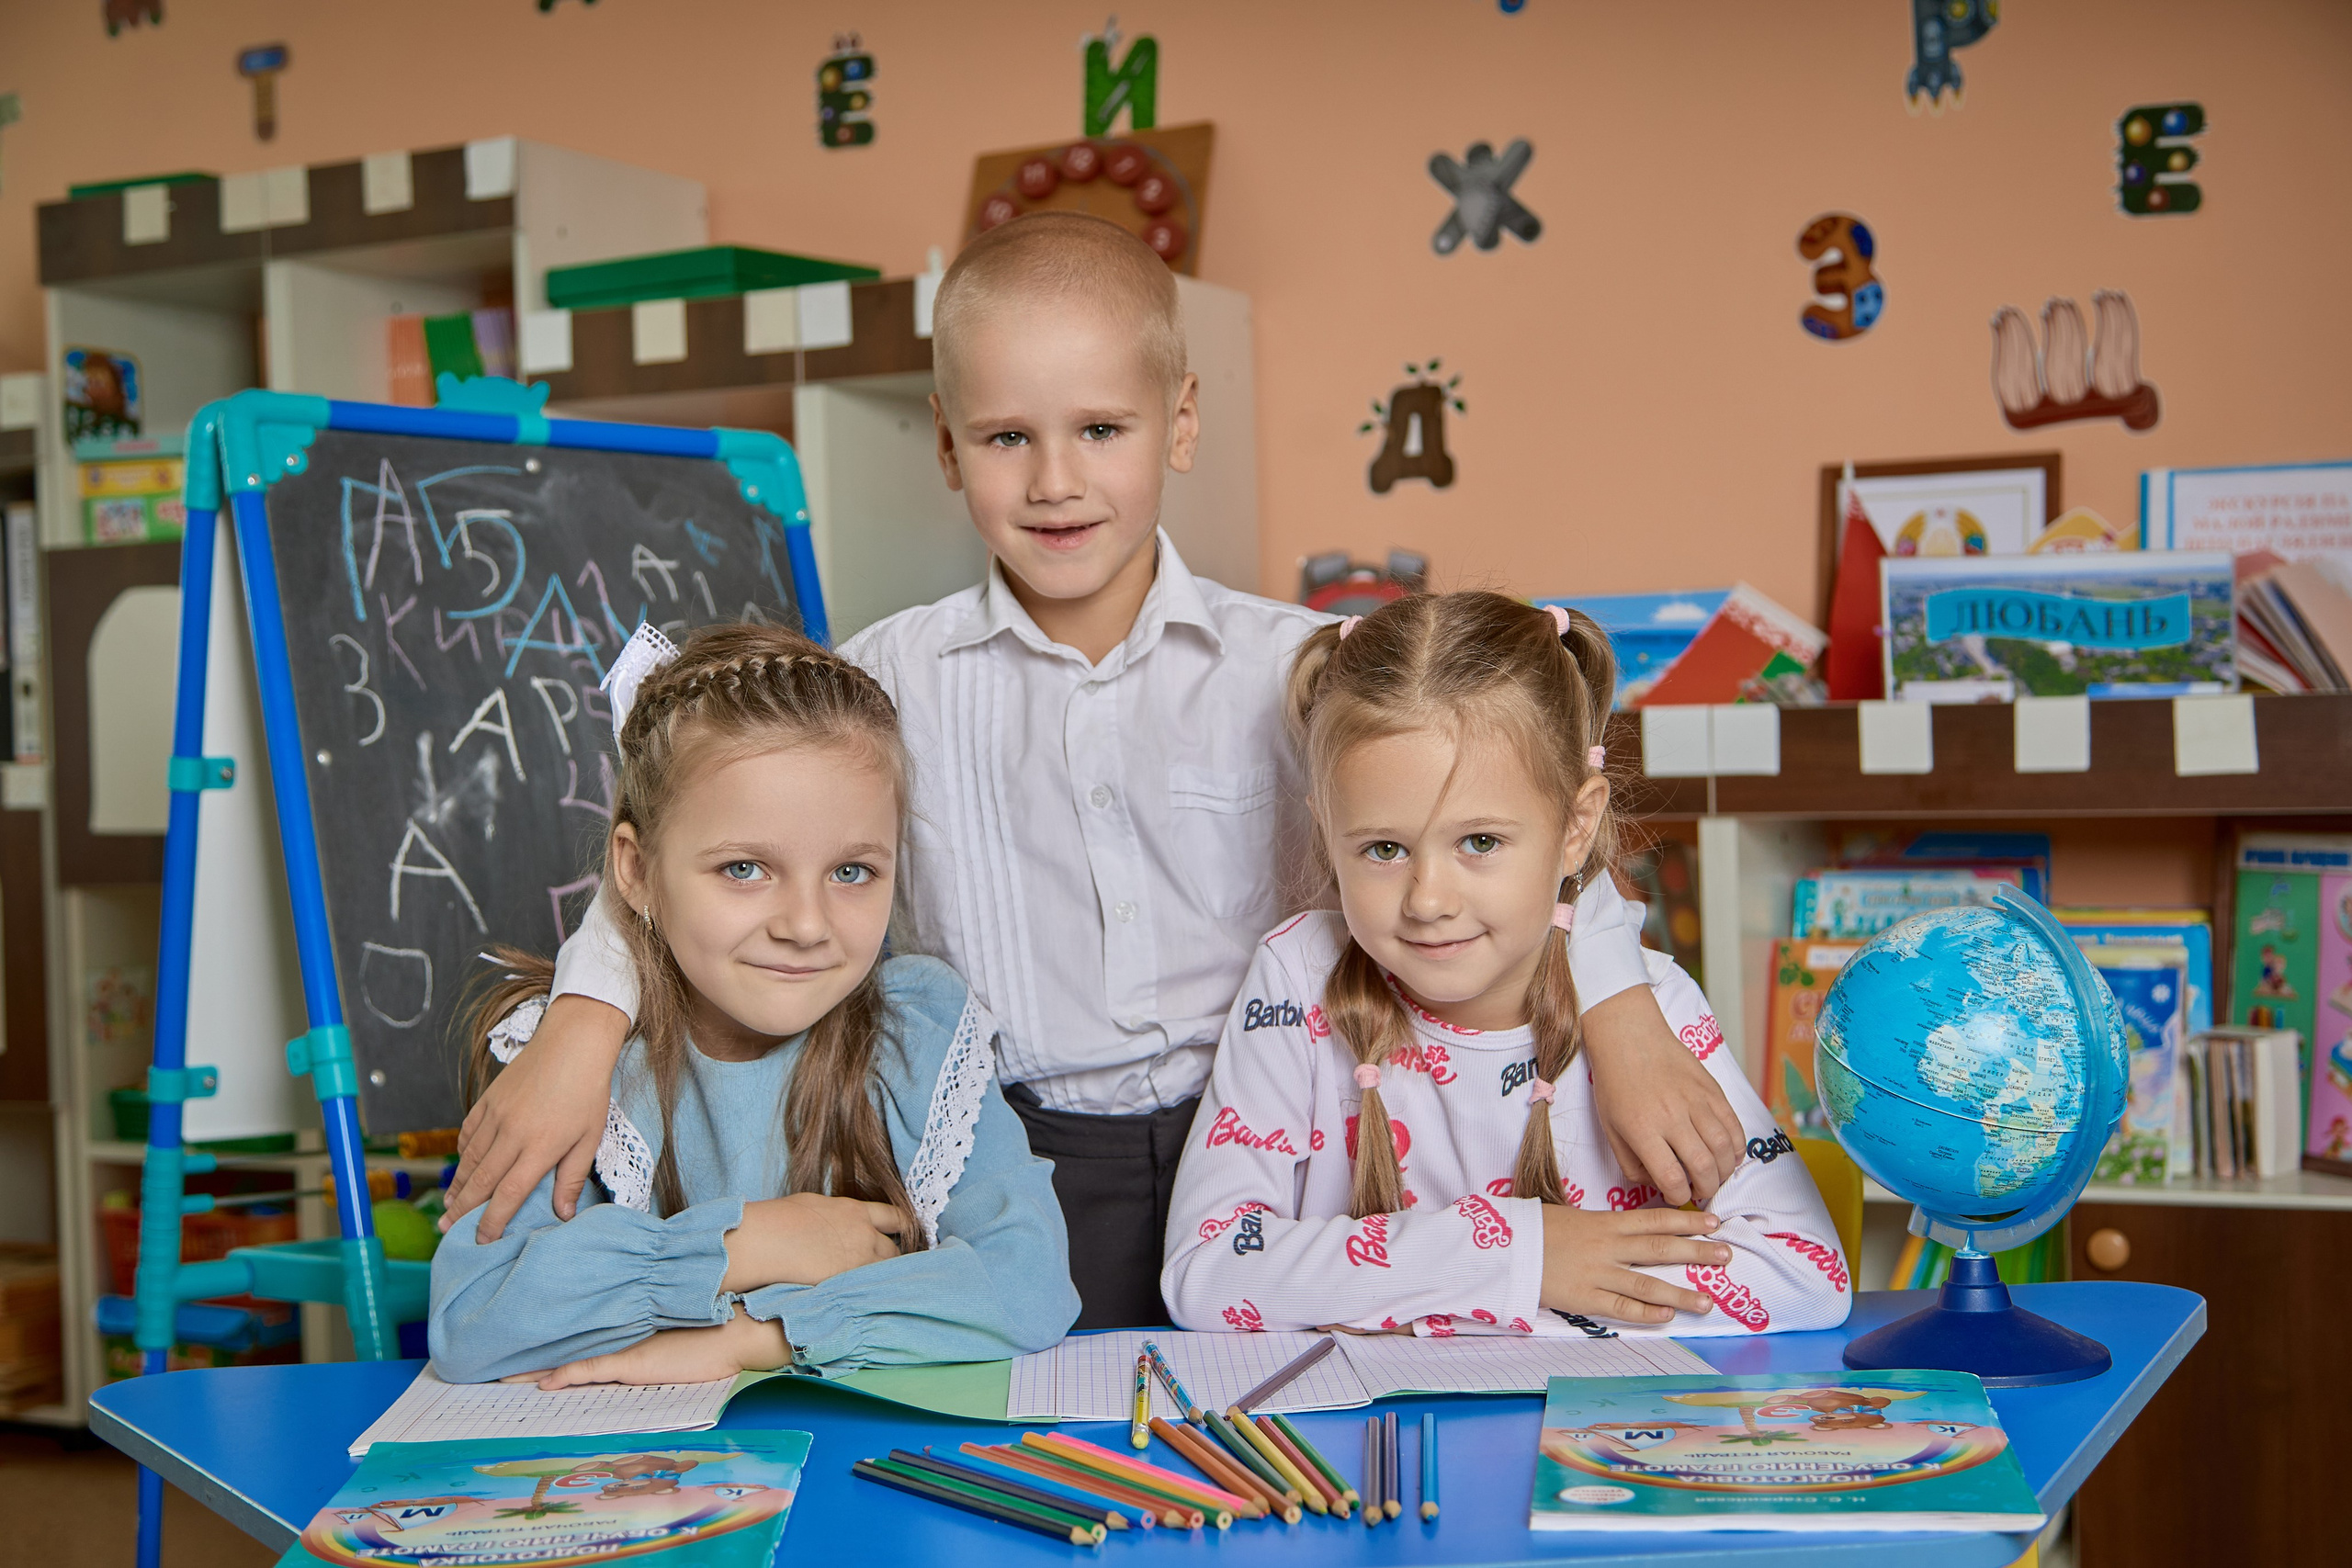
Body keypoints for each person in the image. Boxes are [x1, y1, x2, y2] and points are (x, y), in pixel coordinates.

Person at [444, 212, 1745, 1330]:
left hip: (1299, 1143)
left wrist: (1622, 1010)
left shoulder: (1301, 669)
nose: (1057, 480)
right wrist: (584, 1019)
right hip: (1010, 1153)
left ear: (1178, 424)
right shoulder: (883, 685)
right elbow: (690, 831)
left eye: (1102, 427)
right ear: (946, 447)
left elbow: (1517, 814)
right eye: (1006, 438)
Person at [1161, 593, 1849, 1337]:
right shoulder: (1296, 978)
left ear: (1576, 827)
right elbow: (1206, 1270)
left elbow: (1806, 1272)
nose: (1428, 899)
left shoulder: (1654, 1007)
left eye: (1480, 842)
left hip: (1587, 1447)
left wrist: (1484, 1295)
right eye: (1383, 848)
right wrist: (1518, 1256)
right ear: (1327, 832)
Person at [429, 623, 1076, 1384]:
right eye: (744, 867)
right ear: (634, 871)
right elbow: (473, 1319)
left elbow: (1029, 1282)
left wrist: (761, 1335)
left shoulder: (918, 1033)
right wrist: (749, 1244)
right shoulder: (569, 1060)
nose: (805, 925)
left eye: (852, 871)